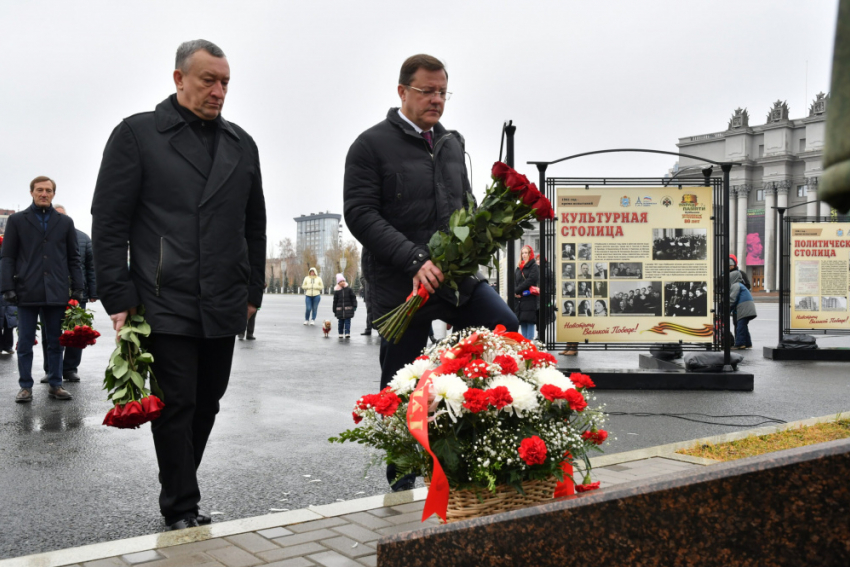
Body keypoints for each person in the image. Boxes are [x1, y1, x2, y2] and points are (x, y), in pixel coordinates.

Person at [91, 40, 266, 531]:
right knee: (177, 402)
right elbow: (109, 222)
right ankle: (181, 506)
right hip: (163, 294)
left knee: (208, 399)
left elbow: (255, 223)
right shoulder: (137, 135)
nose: (218, 90)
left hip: (226, 295)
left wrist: (253, 291)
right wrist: (119, 294)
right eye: (208, 79)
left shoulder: (241, 143)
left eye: (225, 81)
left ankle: (180, 486)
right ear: (178, 79)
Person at [343, 54, 518, 491]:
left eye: (443, 91)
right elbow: (360, 214)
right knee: (401, 379)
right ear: (403, 91)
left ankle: (473, 436)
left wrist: (481, 236)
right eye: (427, 91)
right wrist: (414, 259)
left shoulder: (451, 144)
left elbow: (465, 204)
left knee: (503, 326)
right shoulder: (370, 145)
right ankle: (401, 477)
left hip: (456, 278)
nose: (436, 100)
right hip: (401, 284)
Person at [2, 176, 84, 403]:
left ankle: (56, 384)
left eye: (48, 190)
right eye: (40, 190)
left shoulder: (65, 222)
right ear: (32, 192)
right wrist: (7, 286)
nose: (44, 194)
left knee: (56, 341)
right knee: (25, 341)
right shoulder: (17, 220)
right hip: (26, 290)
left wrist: (78, 287)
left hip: (56, 291)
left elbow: (73, 257)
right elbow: (7, 257)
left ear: (53, 194)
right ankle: (25, 387)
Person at [38, 205, 97, 383]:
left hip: (76, 294)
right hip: (48, 293)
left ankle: (70, 369)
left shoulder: (83, 238)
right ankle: (50, 369)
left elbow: (90, 267)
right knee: (49, 334)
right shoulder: (41, 237)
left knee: (76, 332)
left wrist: (93, 291)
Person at [514, 245, 539, 340]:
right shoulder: (519, 267)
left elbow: (531, 280)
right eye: (522, 253)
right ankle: (524, 343)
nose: (524, 255)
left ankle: (529, 343)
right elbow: (515, 281)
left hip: (529, 297)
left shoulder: (533, 266)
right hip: (519, 298)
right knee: (522, 321)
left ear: (530, 254)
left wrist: (517, 290)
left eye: (526, 253)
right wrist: (515, 292)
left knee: (529, 321)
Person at [730, 262, 757, 349]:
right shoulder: (741, 285)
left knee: (740, 326)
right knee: (743, 326)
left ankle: (740, 344)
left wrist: (727, 309)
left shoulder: (735, 285)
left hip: (744, 308)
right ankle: (748, 343)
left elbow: (732, 299)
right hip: (749, 308)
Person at [0, 237, 17, 354]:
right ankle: (7, 346)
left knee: (8, 322)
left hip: (7, 293)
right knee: (8, 322)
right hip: (8, 292)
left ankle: (6, 346)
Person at [333, 273, 357, 339]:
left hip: (348, 309)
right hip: (339, 310)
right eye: (340, 281)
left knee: (347, 322)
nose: (342, 282)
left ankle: (347, 333)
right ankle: (340, 333)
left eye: (343, 281)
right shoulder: (337, 291)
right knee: (340, 323)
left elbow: (353, 298)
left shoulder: (349, 290)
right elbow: (335, 301)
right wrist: (334, 310)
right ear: (338, 283)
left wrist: (354, 305)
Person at [360, 254, 373, 335]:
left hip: (378, 293)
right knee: (369, 311)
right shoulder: (365, 267)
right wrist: (368, 284)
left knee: (379, 310)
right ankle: (368, 329)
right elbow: (362, 278)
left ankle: (380, 330)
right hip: (368, 292)